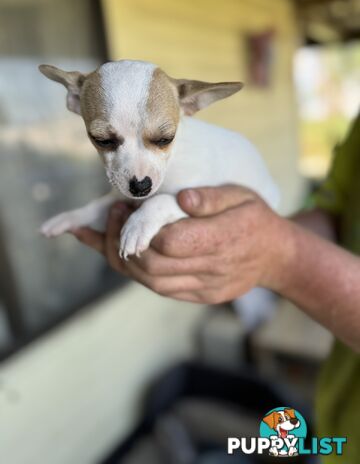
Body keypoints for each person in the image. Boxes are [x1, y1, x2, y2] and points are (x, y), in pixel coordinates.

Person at [71, 115, 360, 463]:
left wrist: (281, 256)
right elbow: (339, 218)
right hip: (338, 420)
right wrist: (236, 240)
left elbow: (285, 253)